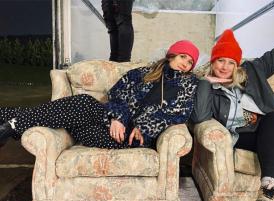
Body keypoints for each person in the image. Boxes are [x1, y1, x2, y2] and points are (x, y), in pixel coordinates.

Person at [0, 40, 199, 150]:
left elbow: (179, 113)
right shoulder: (142, 73)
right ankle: (11, 124)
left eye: (190, 62)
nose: (185, 63)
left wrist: (143, 126)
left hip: (131, 138)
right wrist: (118, 118)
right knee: (82, 104)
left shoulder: (187, 85)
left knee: (77, 113)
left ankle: (11, 120)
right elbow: (118, 93)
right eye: (183, 57)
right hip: (109, 122)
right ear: (172, 55)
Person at [191, 28, 274, 201]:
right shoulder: (208, 87)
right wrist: (206, 81)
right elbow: (200, 117)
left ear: (237, 65)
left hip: (269, 129)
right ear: (213, 62)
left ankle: (272, 196)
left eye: (231, 62)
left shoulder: (254, 70)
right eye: (220, 60)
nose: (225, 67)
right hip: (243, 135)